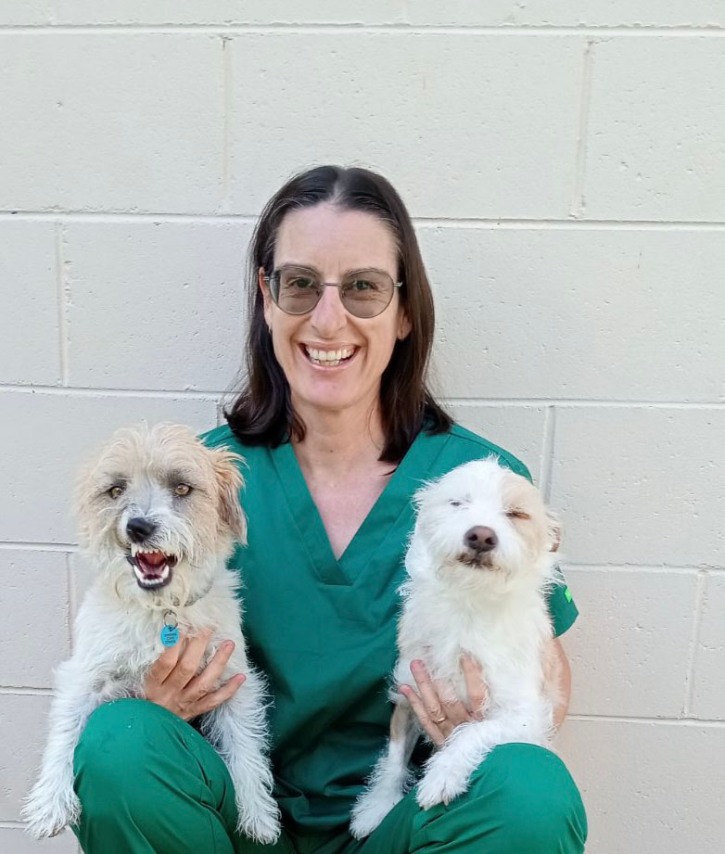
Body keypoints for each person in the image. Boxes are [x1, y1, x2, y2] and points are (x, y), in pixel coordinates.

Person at [72, 166, 588, 853]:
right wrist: (157, 708)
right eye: (300, 284)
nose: (327, 318)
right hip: (232, 818)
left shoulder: (477, 487)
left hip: (402, 821)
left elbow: (546, 680)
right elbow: (122, 635)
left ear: (405, 311)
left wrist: (486, 725)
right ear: (266, 297)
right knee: (120, 741)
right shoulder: (198, 481)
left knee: (528, 791)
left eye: (364, 288)